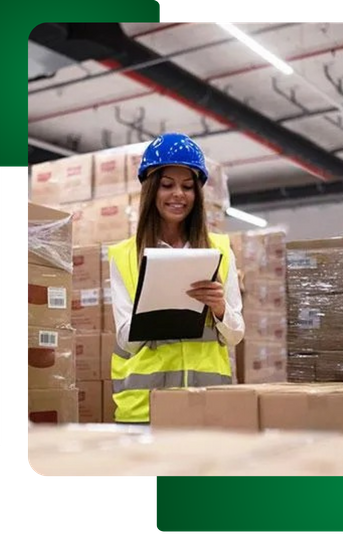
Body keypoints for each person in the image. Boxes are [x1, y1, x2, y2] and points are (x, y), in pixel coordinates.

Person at [107, 133, 245, 424]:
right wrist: (155, 306)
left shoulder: (219, 249)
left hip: (208, 404)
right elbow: (125, 340)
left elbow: (235, 335)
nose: (178, 194)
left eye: (187, 186)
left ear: (197, 193)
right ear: (151, 190)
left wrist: (219, 308)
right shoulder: (123, 255)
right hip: (145, 408)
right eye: (167, 185)